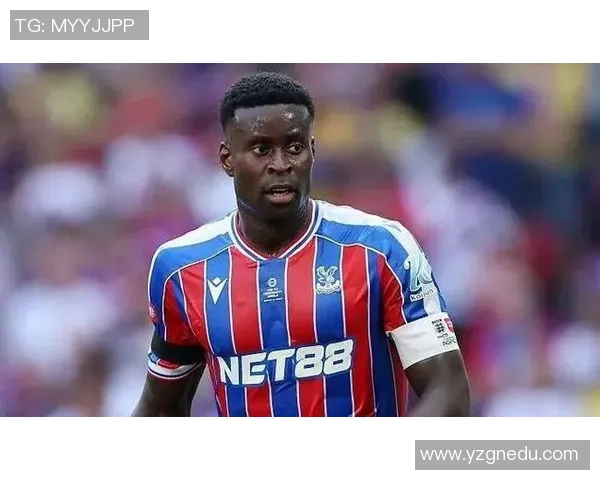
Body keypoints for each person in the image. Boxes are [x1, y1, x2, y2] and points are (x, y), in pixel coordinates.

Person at [132, 71, 471, 417]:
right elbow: (159, 411)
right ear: (227, 159)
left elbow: (448, 391)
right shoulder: (181, 269)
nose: (280, 165)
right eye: (261, 150)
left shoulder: (381, 249)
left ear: (312, 152)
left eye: (294, 148)